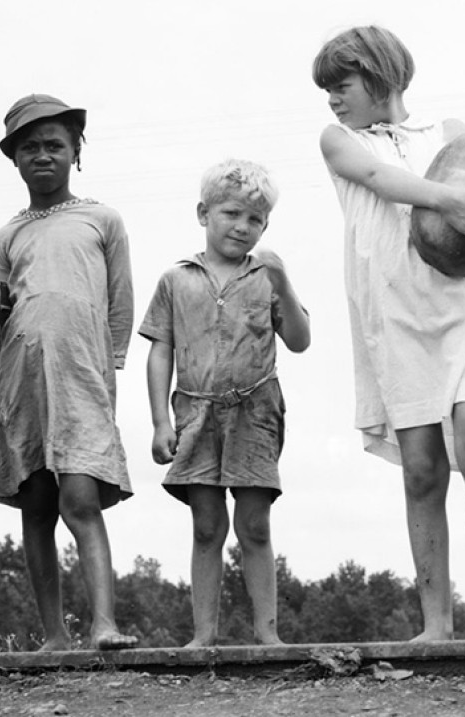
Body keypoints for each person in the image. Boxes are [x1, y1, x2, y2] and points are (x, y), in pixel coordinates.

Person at [312, 25, 465, 644]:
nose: (334, 99)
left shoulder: (451, 135)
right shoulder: (339, 140)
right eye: (329, 89)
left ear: (381, 73)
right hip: (395, 313)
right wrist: (449, 199)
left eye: (343, 85)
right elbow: (382, 181)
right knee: (420, 468)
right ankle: (436, 623)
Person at [0, 94, 137, 650]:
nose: (43, 155)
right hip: (22, 379)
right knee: (37, 505)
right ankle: (53, 635)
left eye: (54, 144)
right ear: (14, 159)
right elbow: (0, 315)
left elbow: (120, 303)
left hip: (84, 376)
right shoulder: (6, 236)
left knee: (80, 497)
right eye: (30, 147)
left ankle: (104, 624)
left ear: (76, 151)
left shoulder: (102, 219)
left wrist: (110, 364)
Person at [141, 160, 310, 647]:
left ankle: (268, 636)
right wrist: (159, 422)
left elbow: (299, 341)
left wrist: (284, 283)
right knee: (206, 525)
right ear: (203, 213)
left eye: (255, 219)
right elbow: (160, 350)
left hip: (256, 412)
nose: (242, 226)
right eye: (232, 213)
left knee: (254, 524)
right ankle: (203, 637)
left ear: (266, 226)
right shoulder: (177, 278)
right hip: (194, 413)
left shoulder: (267, 276)